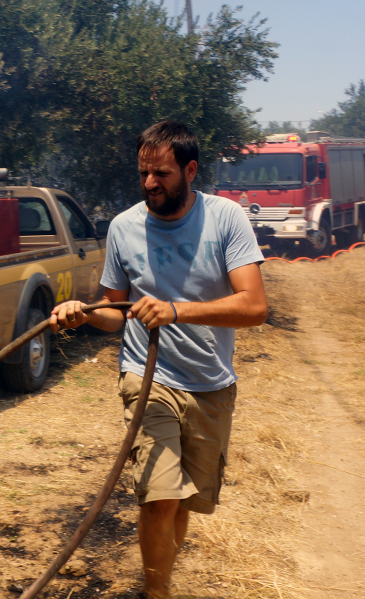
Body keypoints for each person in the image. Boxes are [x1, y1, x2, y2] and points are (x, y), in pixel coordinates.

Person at [49, 121, 268, 599]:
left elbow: (254, 307)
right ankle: (157, 595)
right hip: (149, 380)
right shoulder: (124, 227)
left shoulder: (226, 218)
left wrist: (175, 311)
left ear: (190, 170)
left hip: (211, 382)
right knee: (158, 496)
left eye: (162, 173)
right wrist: (80, 314)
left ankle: (161, 582)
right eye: (144, 173)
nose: (150, 183)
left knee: (182, 501)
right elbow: (113, 310)